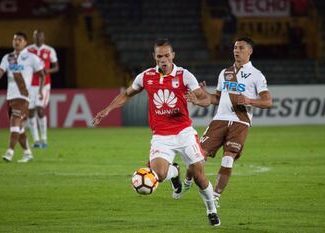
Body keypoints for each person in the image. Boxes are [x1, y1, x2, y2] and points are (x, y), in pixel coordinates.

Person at [93, 38, 220, 226]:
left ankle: (211, 210)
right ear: (154, 56)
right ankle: (174, 172)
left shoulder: (185, 75)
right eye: (159, 56)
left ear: (173, 55)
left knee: (199, 176)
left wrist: (196, 99)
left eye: (167, 55)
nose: (163, 59)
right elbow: (127, 94)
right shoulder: (145, 77)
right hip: (161, 135)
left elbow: (205, 99)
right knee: (158, 175)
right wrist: (107, 109)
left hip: (184, 132)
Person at [182, 37, 273, 208]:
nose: (236, 50)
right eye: (235, 47)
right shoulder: (225, 73)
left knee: (228, 159)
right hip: (219, 120)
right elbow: (216, 98)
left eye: (241, 48)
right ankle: (186, 181)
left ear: (250, 51)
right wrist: (202, 96)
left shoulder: (257, 76)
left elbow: (268, 102)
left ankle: (215, 196)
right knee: (198, 157)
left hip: (240, 122)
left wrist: (249, 101)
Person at [0, 32, 45, 163]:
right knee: (19, 127)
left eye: (19, 39)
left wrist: (40, 90)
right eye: (14, 39)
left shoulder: (31, 58)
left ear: (25, 42)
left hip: (23, 96)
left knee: (14, 122)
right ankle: (27, 152)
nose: (16, 41)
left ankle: (10, 151)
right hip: (10, 97)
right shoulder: (8, 57)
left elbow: (42, 74)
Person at [27, 30, 59, 148]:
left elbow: (56, 67)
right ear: (33, 37)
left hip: (44, 84)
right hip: (30, 85)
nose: (38, 38)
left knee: (40, 109)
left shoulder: (50, 50)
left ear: (44, 38)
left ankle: (44, 139)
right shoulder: (29, 50)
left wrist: (48, 70)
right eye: (36, 36)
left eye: (40, 36)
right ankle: (36, 140)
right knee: (30, 112)